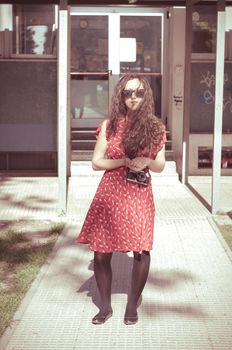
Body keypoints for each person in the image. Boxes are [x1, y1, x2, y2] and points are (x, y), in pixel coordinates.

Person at [75, 74, 166, 325]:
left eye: (137, 92)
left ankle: (131, 305)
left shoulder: (155, 127)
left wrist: (146, 161)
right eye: (127, 93)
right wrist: (124, 162)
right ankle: (105, 307)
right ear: (121, 96)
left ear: (145, 94)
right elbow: (96, 162)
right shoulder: (110, 125)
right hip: (111, 193)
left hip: (139, 193)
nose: (133, 97)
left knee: (141, 249)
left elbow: (160, 165)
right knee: (101, 253)